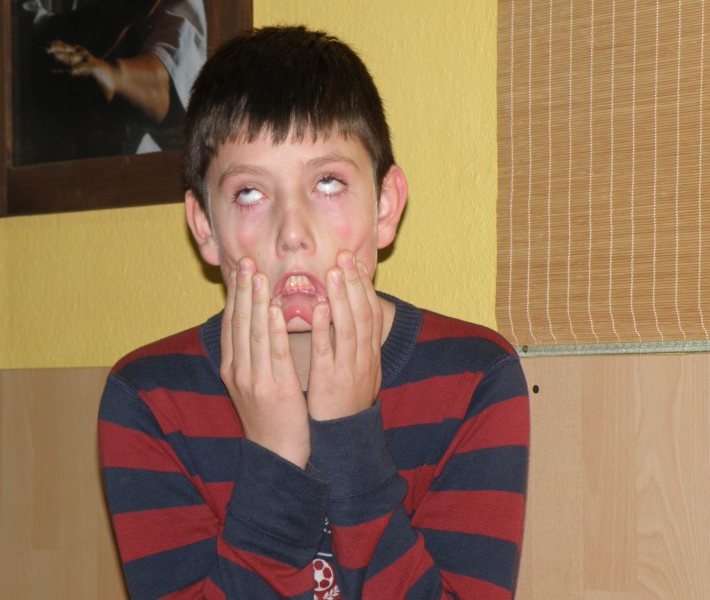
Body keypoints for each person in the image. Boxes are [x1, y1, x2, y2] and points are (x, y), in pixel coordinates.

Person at [99, 25, 529, 600]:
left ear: (384, 207)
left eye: (327, 183)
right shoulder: (151, 399)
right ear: (205, 227)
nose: (292, 232)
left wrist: (350, 440)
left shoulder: (474, 379)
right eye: (250, 193)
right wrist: (275, 457)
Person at [16, 0, 206, 163]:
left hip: (127, 176)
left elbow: (170, 79)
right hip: (39, 170)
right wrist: (115, 16)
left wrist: (113, 75)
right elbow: (22, 37)